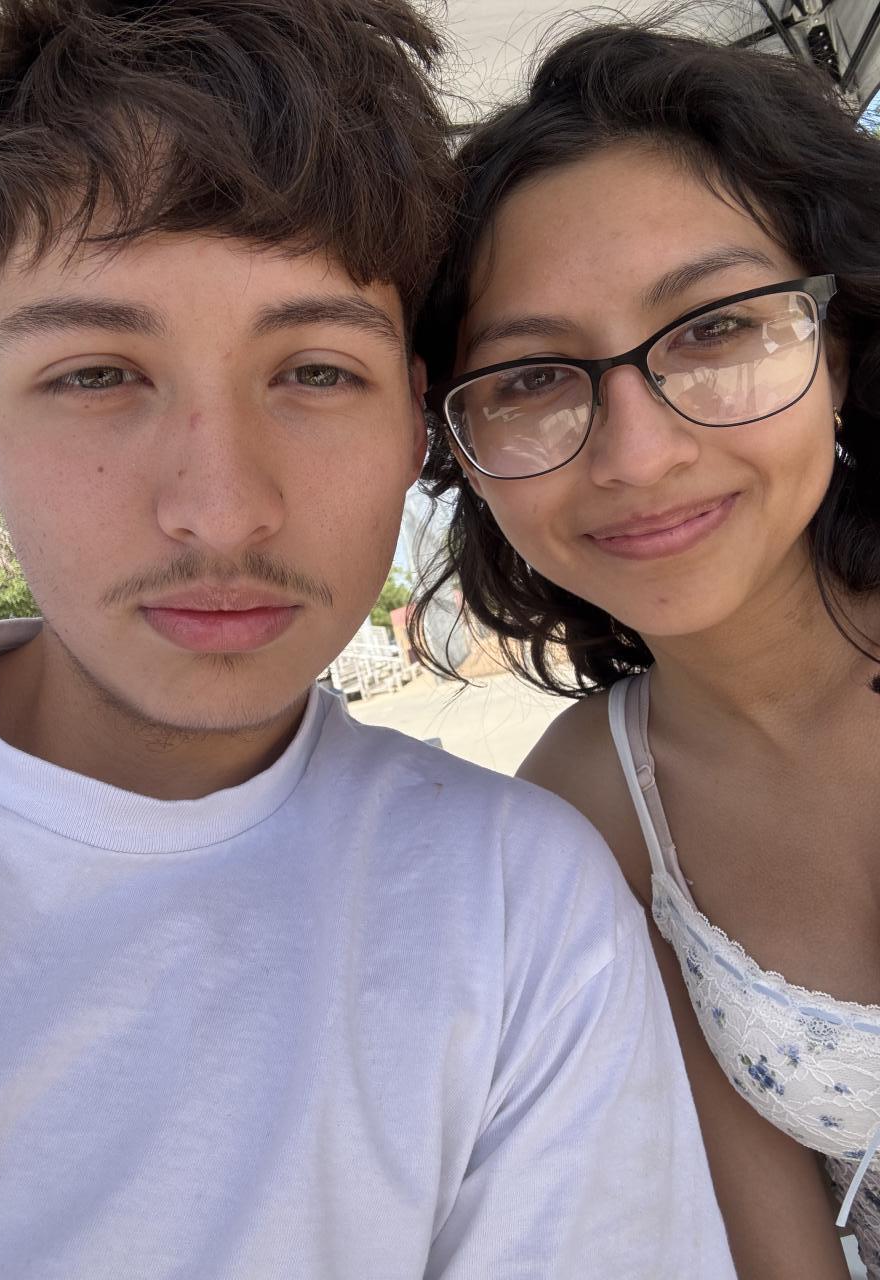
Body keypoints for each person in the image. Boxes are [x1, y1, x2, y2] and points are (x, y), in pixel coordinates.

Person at [0, 2, 735, 1276]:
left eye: (314, 372)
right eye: (96, 374)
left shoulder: (516, 908)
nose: (221, 508)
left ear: (415, 422)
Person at [413, 18, 880, 1279]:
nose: (639, 452)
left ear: (836, 348)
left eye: (716, 328)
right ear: (465, 455)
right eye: (531, 378)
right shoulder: (588, 809)